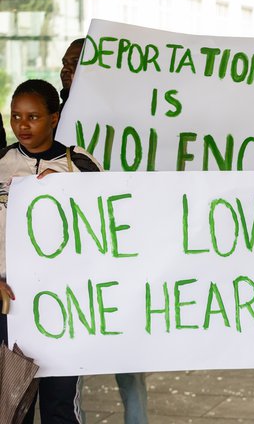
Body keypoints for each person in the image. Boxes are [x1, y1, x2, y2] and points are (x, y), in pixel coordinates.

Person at [58, 37, 151, 424]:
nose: (67, 68)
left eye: (76, 62)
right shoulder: (51, 116)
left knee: (128, 362)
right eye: (64, 62)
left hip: (121, 249)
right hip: (73, 256)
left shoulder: (131, 116)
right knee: (64, 371)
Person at [0, 79, 103, 423]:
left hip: (65, 305)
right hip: (8, 307)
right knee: (13, 406)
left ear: (54, 118)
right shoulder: (2, 163)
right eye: (16, 117)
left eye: (33, 117)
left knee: (59, 406)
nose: (22, 125)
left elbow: (109, 225)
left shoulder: (81, 164)